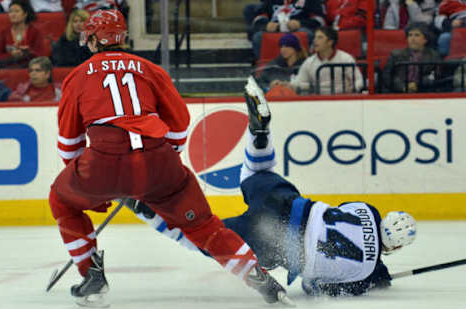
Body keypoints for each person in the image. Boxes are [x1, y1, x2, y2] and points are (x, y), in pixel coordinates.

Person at [48, 9, 291, 308]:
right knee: (204, 227)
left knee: (61, 200)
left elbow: (68, 145)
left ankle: (92, 277)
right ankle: (261, 279)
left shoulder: (77, 76)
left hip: (102, 161)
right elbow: (178, 124)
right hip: (158, 159)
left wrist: (90, 187)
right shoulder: (150, 69)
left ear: (95, 39)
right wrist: (161, 162)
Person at [126, 76, 418, 297]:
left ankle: (260, 135)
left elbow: (343, 215)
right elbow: (312, 288)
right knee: (199, 237)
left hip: (287, 204)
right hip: (274, 242)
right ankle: (147, 210)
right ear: (395, 246)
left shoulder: (367, 210)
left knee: (256, 171)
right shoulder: (363, 274)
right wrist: (375, 276)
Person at [275, 26, 363, 94]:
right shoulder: (309, 62)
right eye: (315, 37)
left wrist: (352, 94)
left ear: (330, 42)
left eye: (320, 38)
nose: (315, 41)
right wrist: (288, 85)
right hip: (318, 101)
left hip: (345, 99)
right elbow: (300, 82)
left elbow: (359, 81)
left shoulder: (346, 59)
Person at [251, 0, 325, 60]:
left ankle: (301, 66)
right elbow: (258, 18)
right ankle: (264, 68)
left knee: (307, 33)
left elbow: (319, 20)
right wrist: (266, 25)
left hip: (298, 30)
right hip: (274, 31)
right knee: (258, 37)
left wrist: (300, 23)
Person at [383, 22, 441, 93]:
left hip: (424, 92)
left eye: (417, 35)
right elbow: (387, 76)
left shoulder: (434, 55)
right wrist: (403, 87)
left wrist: (416, 84)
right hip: (398, 92)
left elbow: (436, 76)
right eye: (410, 35)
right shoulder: (396, 54)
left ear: (425, 39)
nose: (412, 39)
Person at [0, 0, 45, 68]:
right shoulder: (4, 32)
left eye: (16, 11)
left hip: (30, 68)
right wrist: (11, 55)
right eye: (10, 11)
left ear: (25, 14)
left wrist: (27, 53)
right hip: (9, 68)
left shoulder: (35, 32)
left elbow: (40, 55)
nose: (13, 14)